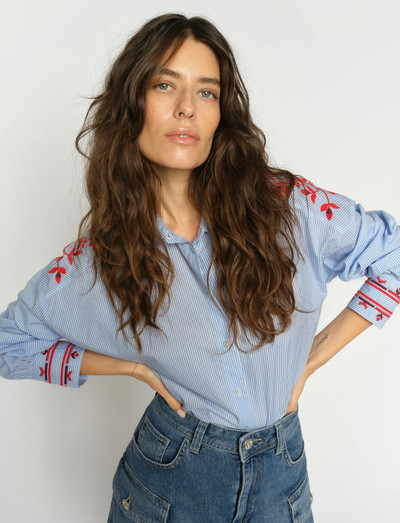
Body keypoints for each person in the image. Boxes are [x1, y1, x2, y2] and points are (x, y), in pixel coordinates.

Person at [1, 12, 399, 523]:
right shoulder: (99, 262)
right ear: (132, 103)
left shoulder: (288, 209)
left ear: (220, 114)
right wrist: (129, 367)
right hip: (171, 480)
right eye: (165, 85)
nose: (186, 107)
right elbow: (9, 344)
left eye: (206, 92)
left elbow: (392, 254)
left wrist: (309, 362)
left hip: (282, 472)